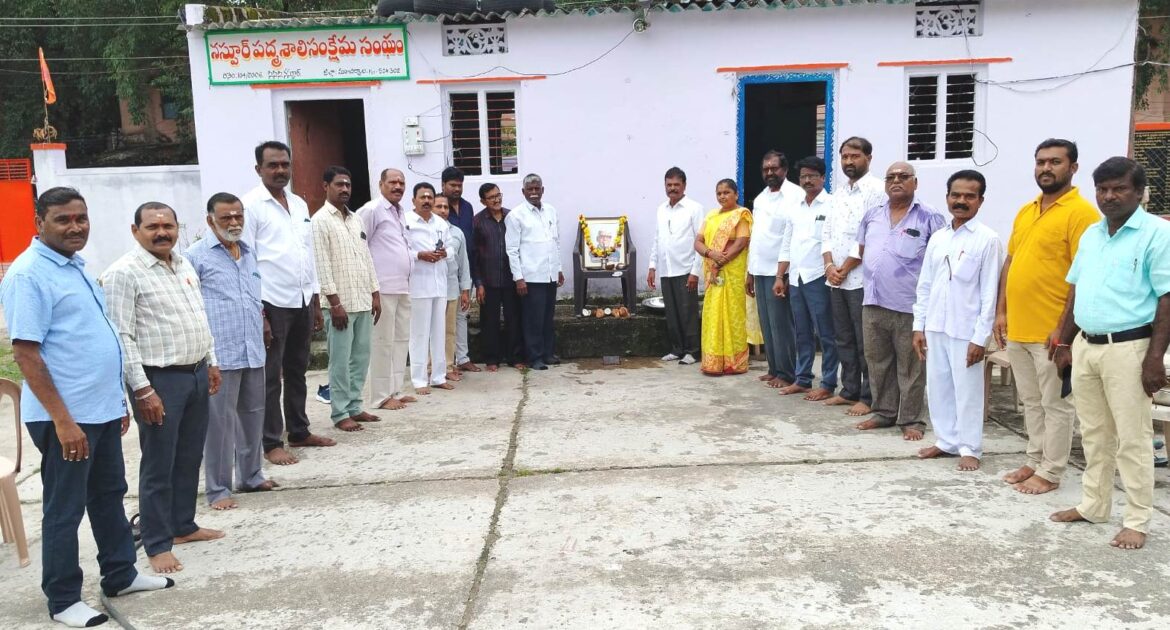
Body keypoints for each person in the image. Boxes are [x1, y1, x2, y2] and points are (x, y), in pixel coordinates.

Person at [0, 187, 174, 628]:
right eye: (63, 219)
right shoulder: (29, 275)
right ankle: (62, 599)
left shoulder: (74, 266)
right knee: (65, 508)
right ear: (39, 223)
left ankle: (120, 574)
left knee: (108, 495)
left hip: (99, 412)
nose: (75, 227)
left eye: (81, 218)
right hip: (66, 419)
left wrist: (116, 402)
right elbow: (26, 355)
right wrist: (63, 421)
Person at [1050, 157, 1170, 551]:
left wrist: (1154, 358)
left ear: (1139, 192)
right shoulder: (1092, 234)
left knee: (1133, 438)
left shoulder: (1157, 234)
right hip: (1087, 346)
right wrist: (1064, 341)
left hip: (1130, 349)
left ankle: (1137, 520)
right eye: (1102, 189)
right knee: (1094, 434)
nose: (1109, 196)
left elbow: (1167, 298)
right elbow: (1076, 289)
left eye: (1119, 188)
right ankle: (1094, 505)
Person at [101, 202, 224, 575]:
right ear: (135, 230)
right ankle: (157, 543)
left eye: (168, 226)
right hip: (159, 380)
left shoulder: (183, 264)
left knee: (189, 456)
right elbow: (122, 336)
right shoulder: (124, 273)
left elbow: (198, 315)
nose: (161, 232)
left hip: (195, 372)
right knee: (159, 463)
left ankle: (183, 525)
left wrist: (211, 361)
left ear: (177, 228)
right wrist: (142, 389)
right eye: (152, 227)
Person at [995, 139, 1099, 495]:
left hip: (1052, 332)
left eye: (1055, 162)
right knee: (1031, 401)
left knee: (1056, 405)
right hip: (1019, 328)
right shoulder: (1027, 209)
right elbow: (1011, 261)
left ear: (1073, 167)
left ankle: (1051, 471)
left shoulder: (1082, 213)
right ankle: (1034, 458)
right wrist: (1001, 311)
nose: (1046, 168)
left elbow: (1082, 276)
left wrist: (1064, 331)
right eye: (1040, 162)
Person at [241, 141, 333, 466]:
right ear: (259, 169)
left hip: (302, 299)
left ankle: (299, 430)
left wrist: (316, 300)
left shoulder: (299, 204)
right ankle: (271, 441)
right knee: (271, 376)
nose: (280, 170)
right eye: (273, 165)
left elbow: (307, 254)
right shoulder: (250, 206)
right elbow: (246, 261)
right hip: (271, 301)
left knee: (298, 369)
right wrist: (259, 312)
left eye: (284, 164)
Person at [186, 193, 275, 511]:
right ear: (210, 221)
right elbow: (190, 305)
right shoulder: (194, 257)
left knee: (253, 414)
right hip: (219, 353)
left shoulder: (248, 252)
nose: (234, 222)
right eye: (226, 218)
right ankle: (218, 488)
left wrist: (263, 321)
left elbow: (253, 296)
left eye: (239, 216)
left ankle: (251, 475)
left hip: (252, 347)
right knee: (219, 424)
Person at [912, 170, 1003, 471]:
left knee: (968, 391)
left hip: (966, 329)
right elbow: (925, 284)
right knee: (938, 387)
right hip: (935, 325)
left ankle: (970, 448)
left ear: (980, 200)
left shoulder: (988, 239)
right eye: (956, 195)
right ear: (947, 197)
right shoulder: (938, 238)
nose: (961, 201)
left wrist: (980, 338)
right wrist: (918, 326)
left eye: (969, 196)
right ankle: (946, 441)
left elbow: (990, 293)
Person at [850, 162, 946, 440]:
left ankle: (912, 418)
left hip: (909, 305)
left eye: (903, 176)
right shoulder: (872, 215)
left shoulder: (930, 216)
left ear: (915, 182)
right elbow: (862, 249)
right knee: (877, 361)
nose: (896, 181)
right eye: (891, 177)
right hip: (873, 301)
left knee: (911, 365)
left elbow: (940, 260)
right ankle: (884, 411)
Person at [311, 166, 382, 431]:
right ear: (325, 186)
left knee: (361, 357)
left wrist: (375, 292)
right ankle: (340, 412)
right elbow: (321, 265)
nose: (344, 189)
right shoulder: (320, 221)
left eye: (348, 185)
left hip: (362, 299)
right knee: (340, 361)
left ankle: (354, 405)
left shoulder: (356, 219)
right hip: (339, 305)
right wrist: (335, 303)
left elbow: (367, 258)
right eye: (339, 184)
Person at [822, 137, 886, 416]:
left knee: (866, 341)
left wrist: (845, 268)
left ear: (868, 158)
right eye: (845, 156)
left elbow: (870, 236)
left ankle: (869, 396)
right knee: (843, 337)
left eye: (854, 156)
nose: (849, 161)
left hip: (862, 279)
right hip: (836, 279)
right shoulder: (838, 194)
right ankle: (849, 390)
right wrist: (829, 266)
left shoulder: (877, 191)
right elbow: (826, 232)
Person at [777, 156, 838, 400]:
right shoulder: (795, 208)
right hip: (796, 278)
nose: (807, 180)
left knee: (826, 333)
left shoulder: (832, 205)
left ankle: (828, 383)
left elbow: (832, 241)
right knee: (801, 331)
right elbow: (786, 244)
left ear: (823, 177)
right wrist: (780, 276)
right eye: (803, 176)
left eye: (812, 175)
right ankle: (802, 379)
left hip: (819, 277)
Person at [358, 168, 416, 411]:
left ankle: (395, 390)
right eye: (392, 182)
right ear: (381, 184)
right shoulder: (371, 210)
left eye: (401, 182)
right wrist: (370, 288)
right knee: (382, 342)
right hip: (382, 288)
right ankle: (380, 397)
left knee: (400, 340)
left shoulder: (400, 212)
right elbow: (360, 247)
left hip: (403, 286)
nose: (398, 186)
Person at [747, 151, 800, 387]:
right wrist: (750, 272)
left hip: (780, 271)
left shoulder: (795, 195)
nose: (769, 172)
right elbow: (757, 237)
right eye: (766, 169)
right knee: (766, 323)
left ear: (784, 170)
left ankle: (787, 373)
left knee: (781, 324)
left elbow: (791, 237)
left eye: (774, 168)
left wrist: (783, 274)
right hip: (760, 269)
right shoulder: (760, 199)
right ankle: (774, 368)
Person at [505, 173, 565, 370]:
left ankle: (547, 353)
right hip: (530, 277)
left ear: (542, 190)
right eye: (529, 189)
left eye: (536, 189)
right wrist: (518, 278)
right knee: (533, 320)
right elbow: (512, 250)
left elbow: (555, 242)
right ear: (523, 191)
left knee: (547, 318)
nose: (533, 192)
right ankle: (534, 357)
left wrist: (558, 269)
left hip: (550, 274)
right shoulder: (516, 215)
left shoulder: (551, 211)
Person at [647, 166, 705, 365]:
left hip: (686, 269)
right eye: (669, 185)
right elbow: (657, 239)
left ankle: (692, 352)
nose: (672, 188)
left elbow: (701, 241)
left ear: (684, 185)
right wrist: (652, 266)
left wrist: (695, 272)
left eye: (676, 184)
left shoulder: (694, 208)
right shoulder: (661, 209)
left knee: (688, 312)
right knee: (671, 312)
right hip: (666, 269)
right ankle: (677, 349)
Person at [696, 178, 753, 375]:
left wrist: (721, 260)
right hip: (713, 272)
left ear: (736, 194)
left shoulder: (741, 214)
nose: (722, 196)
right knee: (713, 314)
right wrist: (711, 254)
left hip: (732, 272)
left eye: (727, 192)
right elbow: (698, 241)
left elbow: (741, 242)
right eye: (719, 193)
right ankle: (713, 362)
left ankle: (734, 363)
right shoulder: (711, 216)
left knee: (732, 314)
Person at [406, 182, 454, 393]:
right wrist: (419, 255)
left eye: (429, 197)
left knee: (438, 333)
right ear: (414, 200)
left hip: (439, 284)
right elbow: (401, 251)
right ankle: (419, 380)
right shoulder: (406, 222)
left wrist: (445, 253)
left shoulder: (441, 223)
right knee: (419, 334)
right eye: (422, 197)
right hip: (418, 285)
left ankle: (438, 376)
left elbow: (451, 248)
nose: (426, 200)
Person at [473, 183, 524, 370]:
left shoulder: (512, 217)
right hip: (489, 280)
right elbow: (474, 256)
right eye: (491, 197)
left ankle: (515, 357)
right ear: (483, 201)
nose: (496, 200)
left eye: (498, 195)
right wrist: (478, 283)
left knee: (514, 319)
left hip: (512, 279)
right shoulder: (478, 222)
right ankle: (492, 359)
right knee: (489, 322)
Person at [441, 166, 480, 373]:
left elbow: (469, 243)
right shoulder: (439, 206)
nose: (457, 189)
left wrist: (474, 278)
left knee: (462, 315)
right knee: (442, 320)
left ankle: (463, 358)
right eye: (452, 185)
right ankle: (444, 363)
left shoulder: (467, 207)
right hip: (443, 273)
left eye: (460, 185)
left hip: (464, 270)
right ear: (443, 185)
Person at [433, 194, 472, 382]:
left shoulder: (457, 232)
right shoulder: (422, 231)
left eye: (446, 207)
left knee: (449, 330)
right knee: (430, 331)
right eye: (438, 206)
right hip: (429, 288)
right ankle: (430, 367)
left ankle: (448, 366)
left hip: (451, 288)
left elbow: (463, 264)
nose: (443, 210)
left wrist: (465, 290)